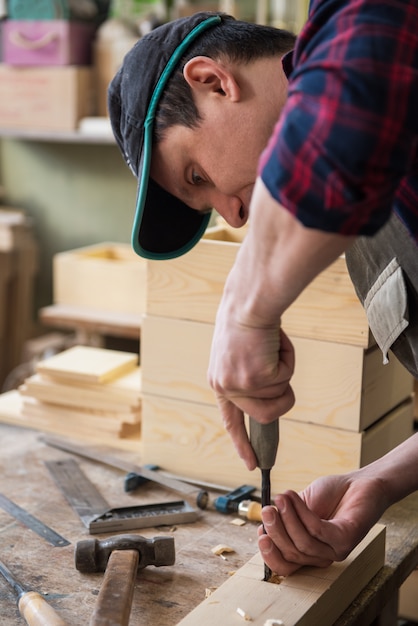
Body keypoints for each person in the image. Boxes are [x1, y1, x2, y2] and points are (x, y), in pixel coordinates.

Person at [108, 2, 418, 577]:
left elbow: (353, 109)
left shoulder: (363, 23)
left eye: (197, 176)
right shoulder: (361, 225)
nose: (236, 215)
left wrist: (245, 311)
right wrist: (377, 481)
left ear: (212, 80)